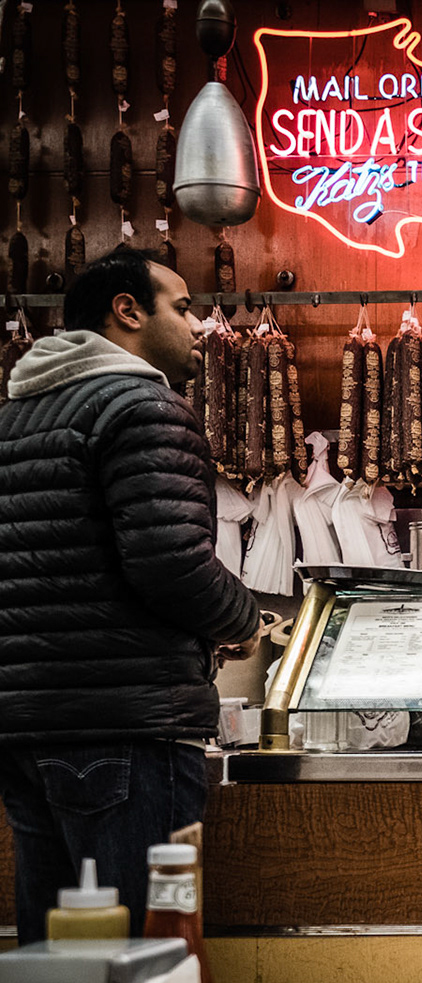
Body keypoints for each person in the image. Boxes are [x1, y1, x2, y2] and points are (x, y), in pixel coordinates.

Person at [0, 248, 261, 944]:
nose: (201, 325)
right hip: (125, 727)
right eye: (182, 307)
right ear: (128, 311)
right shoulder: (143, 406)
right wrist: (243, 619)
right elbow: (170, 561)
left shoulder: (18, 418)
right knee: (144, 954)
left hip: (29, 725)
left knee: (57, 958)